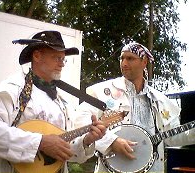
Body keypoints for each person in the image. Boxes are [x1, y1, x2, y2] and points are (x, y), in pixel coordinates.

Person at [0, 30, 107, 173]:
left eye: (63, 59)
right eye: (56, 58)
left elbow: (64, 149)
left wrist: (87, 140)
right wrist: (40, 142)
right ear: (37, 56)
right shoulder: (12, 89)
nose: (62, 64)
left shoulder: (61, 103)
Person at [75, 42, 195, 173]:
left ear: (144, 62)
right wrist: (111, 141)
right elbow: (82, 121)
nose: (124, 63)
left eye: (130, 58)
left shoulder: (160, 100)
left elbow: (172, 137)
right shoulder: (103, 91)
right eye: (122, 58)